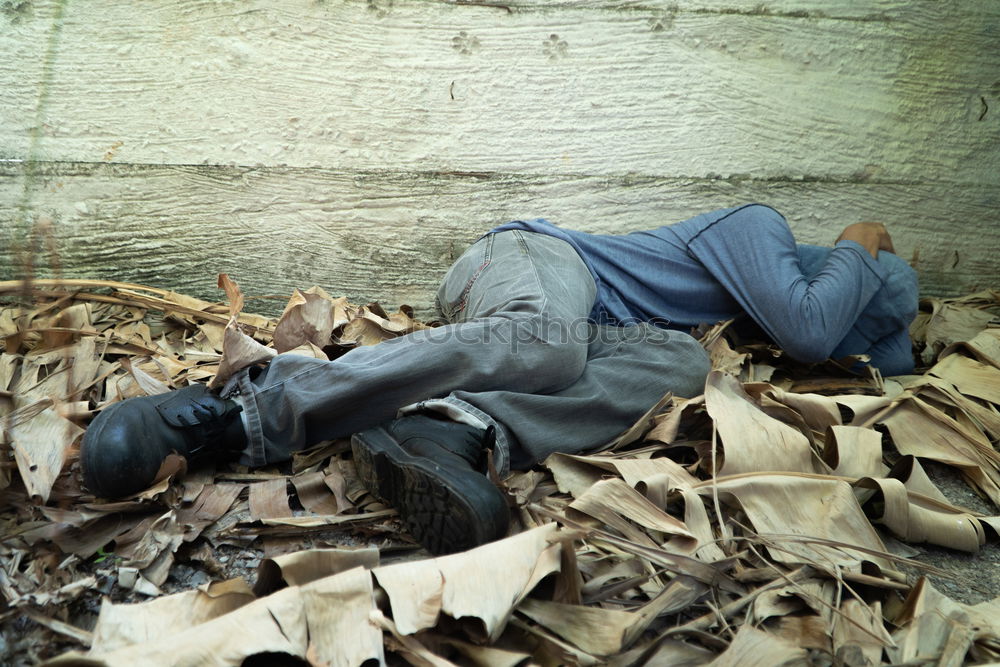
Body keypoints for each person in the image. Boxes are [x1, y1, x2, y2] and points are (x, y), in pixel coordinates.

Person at [81, 204, 918, 554]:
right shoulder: (757, 227)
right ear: (833, 270)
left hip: (595, 328)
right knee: (548, 344)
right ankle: (244, 411)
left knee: (682, 365)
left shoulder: (730, 310)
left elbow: (844, 348)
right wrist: (863, 239)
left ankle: (451, 429)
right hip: (536, 259)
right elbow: (810, 323)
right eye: (857, 299)